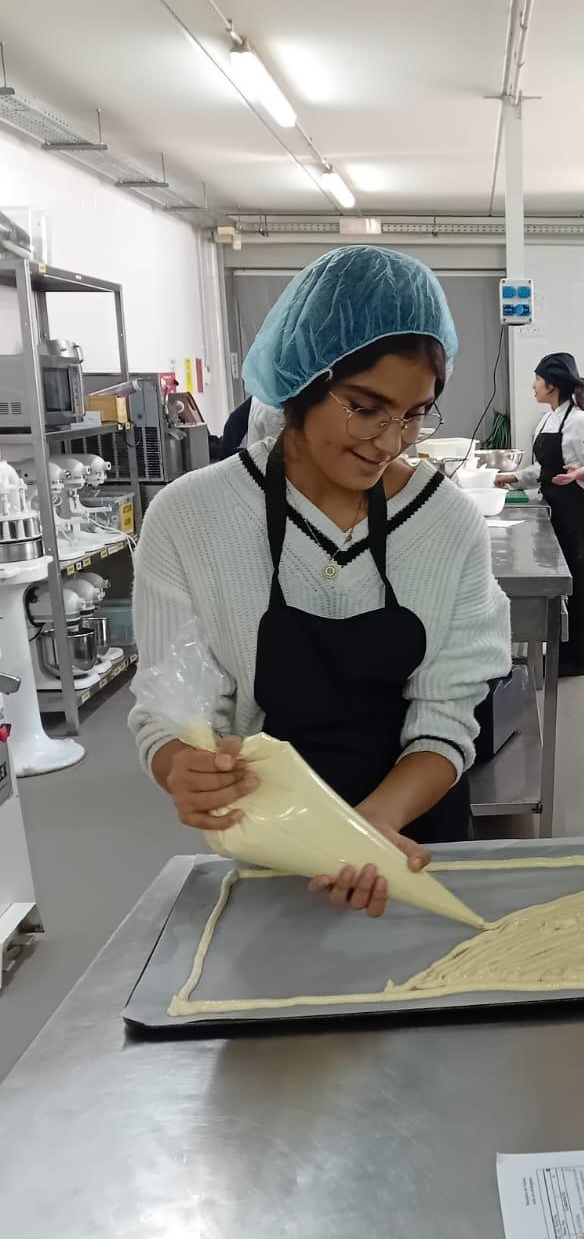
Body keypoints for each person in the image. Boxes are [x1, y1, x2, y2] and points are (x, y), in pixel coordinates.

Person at [130, 246, 512, 916]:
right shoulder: (191, 518)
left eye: (415, 414)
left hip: (413, 841)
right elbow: (175, 704)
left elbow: (449, 712)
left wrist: (371, 827)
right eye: (365, 407)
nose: (391, 441)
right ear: (302, 382)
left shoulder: (445, 521)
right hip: (273, 847)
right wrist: (180, 766)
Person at [496, 353, 584, 677]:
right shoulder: (548, 419)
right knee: (560, 581)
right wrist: (511, 477)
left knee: (578, 582)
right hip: (555, 507)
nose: (533, 385)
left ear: (552, 384)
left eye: (537, 379)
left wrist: (581, 473)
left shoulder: (579, 421)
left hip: (576, 510)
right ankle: (561, 650)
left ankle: (575, 658)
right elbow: (543, 469)